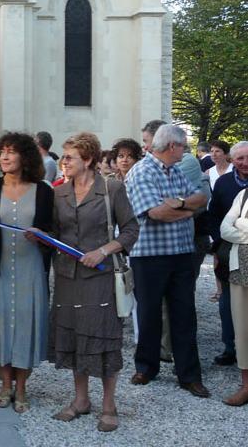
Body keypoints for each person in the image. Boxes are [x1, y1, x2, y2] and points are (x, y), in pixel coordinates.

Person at [48, 133, 139, 432]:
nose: (64, 162)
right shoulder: (58, 193)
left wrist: (102, 250)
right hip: (66, 277)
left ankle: (109, 405)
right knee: (75, 337)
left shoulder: (111, 189)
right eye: (63, 157)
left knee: (103, 338)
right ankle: (81, 400)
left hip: (100, 276)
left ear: (87, 160)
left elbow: (130, 230)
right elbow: (55, 232)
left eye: (69, 157)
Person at [125, 124, 209, 397]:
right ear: (172, 146)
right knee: (149, 314)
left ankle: (189, 375)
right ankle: (146, 368)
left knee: (185, 315)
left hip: (182, 253)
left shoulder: (175, 170)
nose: (185, 150)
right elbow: (156, 213)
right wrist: (185, 208)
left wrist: (180, 204)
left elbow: (201, 199)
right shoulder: (142, 171)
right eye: (184, 145)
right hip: (150, 256)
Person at [0, 132, 53, 413]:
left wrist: (42, 235)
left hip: (30, 267)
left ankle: (22, 387)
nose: (5, 157)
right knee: (0, 324)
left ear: (25, 157)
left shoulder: (43, 190)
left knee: (24, 324)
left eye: (12, 151)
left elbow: (51, 233)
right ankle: (5, 384)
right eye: (2, 151)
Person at [207, 141, 248, 368]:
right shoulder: (223, 183)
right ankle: (230, 347)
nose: (245, 163)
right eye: (240, 159)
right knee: (228, 302)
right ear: (232, 160)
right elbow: (214, 217)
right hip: (228, 250)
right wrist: (219, 245)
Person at [219, 181, 248, 406]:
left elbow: (234, 226)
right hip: (241, 271)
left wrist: (240, 223)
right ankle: (246, 386)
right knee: (242, 330)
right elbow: (224, 229)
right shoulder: (243, 194)